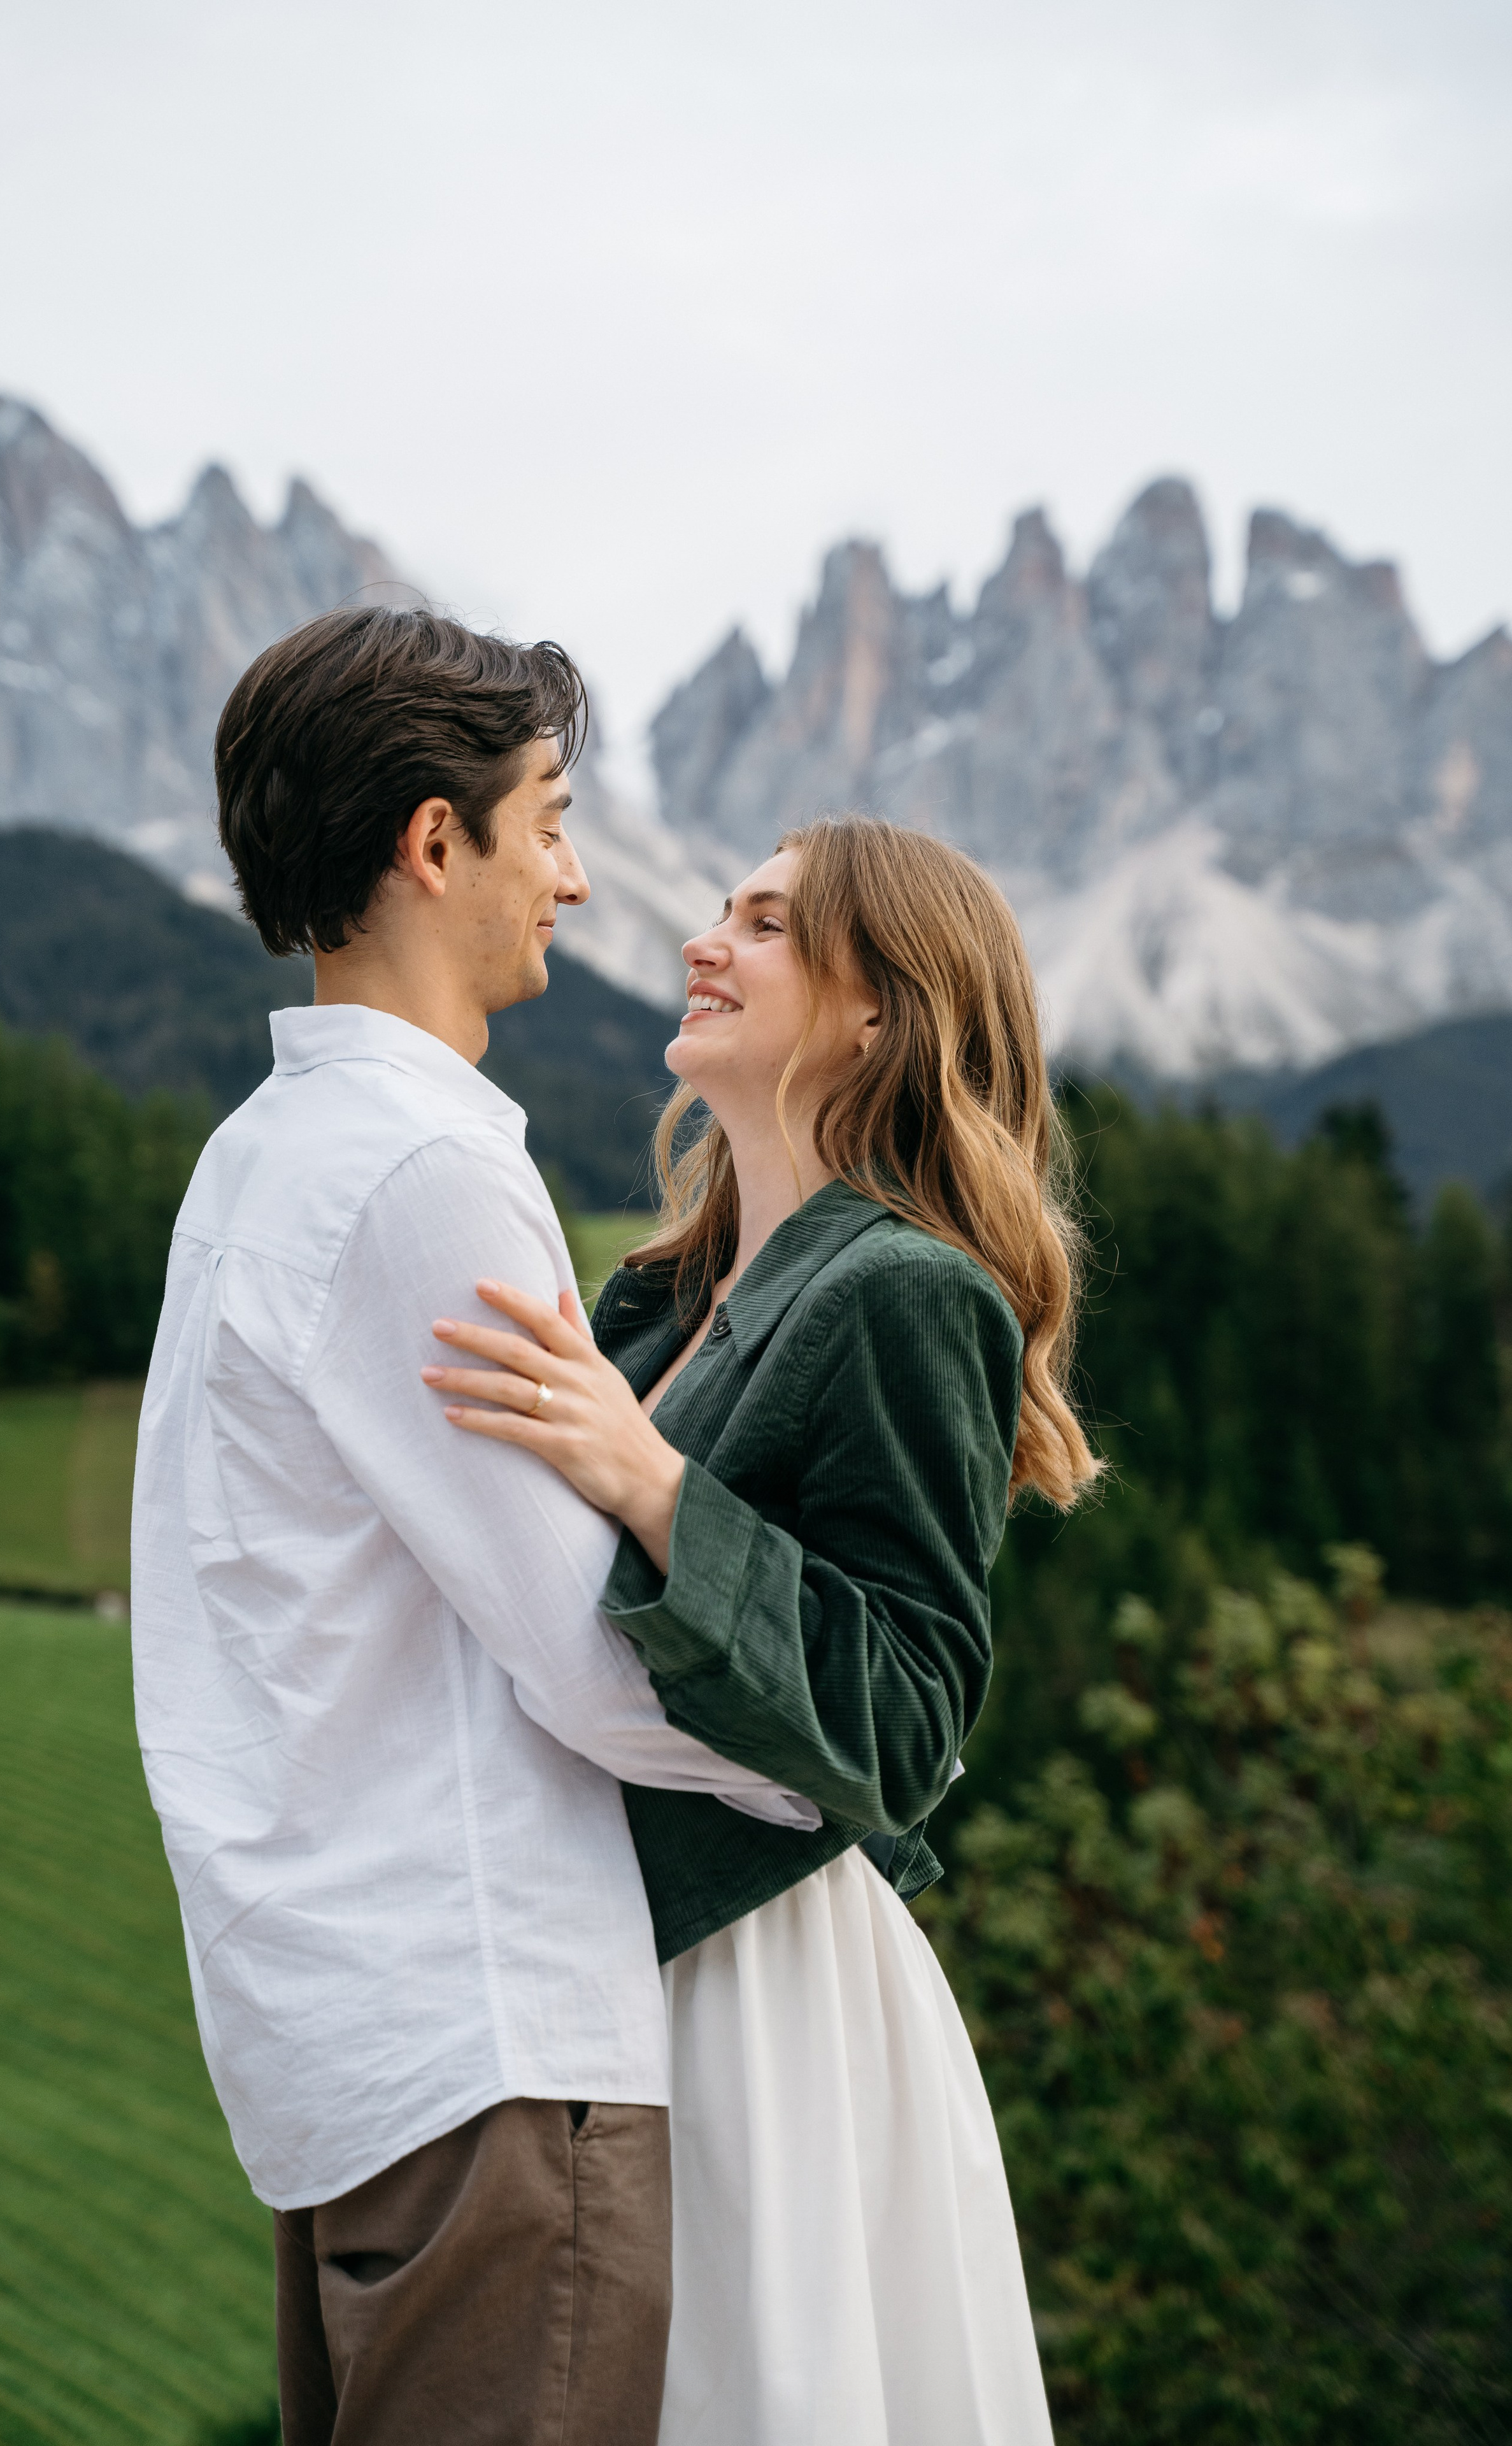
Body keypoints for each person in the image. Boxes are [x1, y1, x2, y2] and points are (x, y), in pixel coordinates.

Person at [130, 604, 822, 2446]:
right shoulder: (433, 1168)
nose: (578, 882)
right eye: (548, 822)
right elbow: (595, 1661)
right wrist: (828, 1774)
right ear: (436, 843)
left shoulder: (253, 1160)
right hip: (496, 2057)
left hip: (345, 2049)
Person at [423, 814, 1101, 2445]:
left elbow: (909, 1721)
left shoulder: (910, 1294)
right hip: (597, 1970)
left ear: (879, 1013)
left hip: (761, 1997)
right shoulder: (663, 1295)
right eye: (719, 909)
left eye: (770, 923)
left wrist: (659, 1491)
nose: (703, 940)